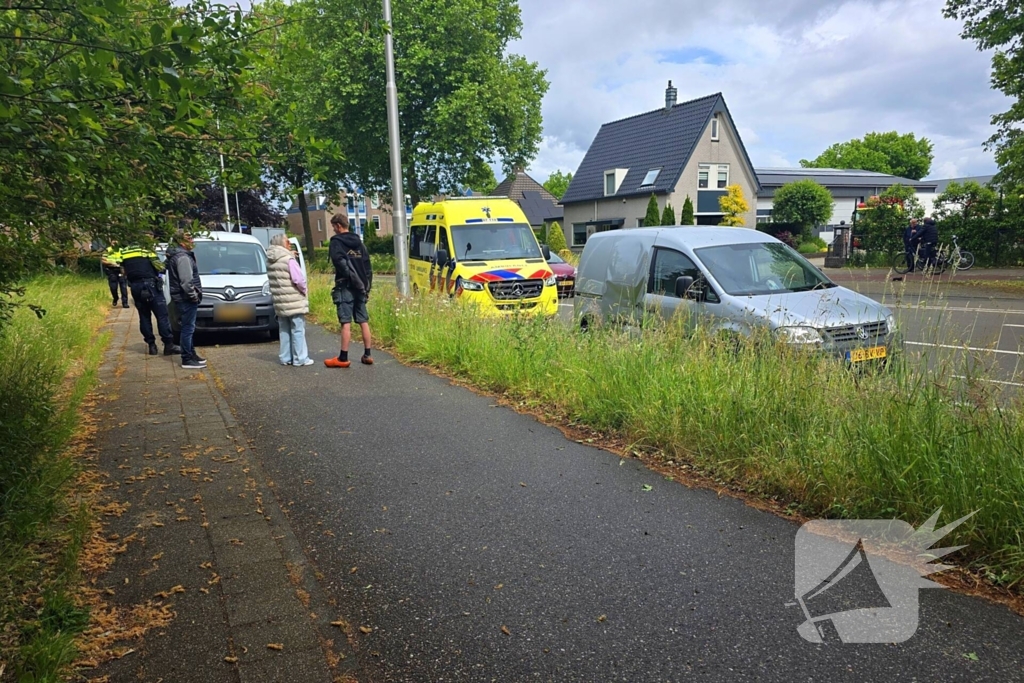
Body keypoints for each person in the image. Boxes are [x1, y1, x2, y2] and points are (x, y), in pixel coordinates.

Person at [325, 213, 373, 368]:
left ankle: (343, 358)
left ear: (338, 226)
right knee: (363, 320)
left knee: (346, 321)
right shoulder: (359, 242)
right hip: (361, 286)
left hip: (345, 285)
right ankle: (367, 354)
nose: (333, 230)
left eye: (333, 227)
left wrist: (350, 278)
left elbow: (340, 263)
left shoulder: (336, 242)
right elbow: (367, 267)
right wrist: (366, 287)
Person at [120, 242, 181, 356]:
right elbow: (160, 267)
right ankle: (168, 345)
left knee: (144, 316)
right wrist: (168, 259)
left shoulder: (125, 251)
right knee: (162, 315)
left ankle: (151, 345)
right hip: (151, 285)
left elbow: (123, 271)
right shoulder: (146, 250)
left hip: (135, 287)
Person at [267, 234, 313, 367]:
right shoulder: (289, 260)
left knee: (284, 329)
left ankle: (285, 358)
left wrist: (289, 255)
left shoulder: (270, 259)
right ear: (282, 244)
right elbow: (298, 280)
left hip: (280, 301)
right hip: (293, 300)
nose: (289, 244)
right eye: (287, 241)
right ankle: (300, 358)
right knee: (298, 329)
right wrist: (304, 290)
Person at [165, 233, 206, 369]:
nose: (192, 241)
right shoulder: (182, 257)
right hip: (185, 298)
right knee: (187, 329)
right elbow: (186, 281)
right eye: (188, 239)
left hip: (181, 297)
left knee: (189, 328)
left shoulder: (178, 255)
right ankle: (187, 359)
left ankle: (191, 354)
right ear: (181, 242)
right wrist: (193, 296)